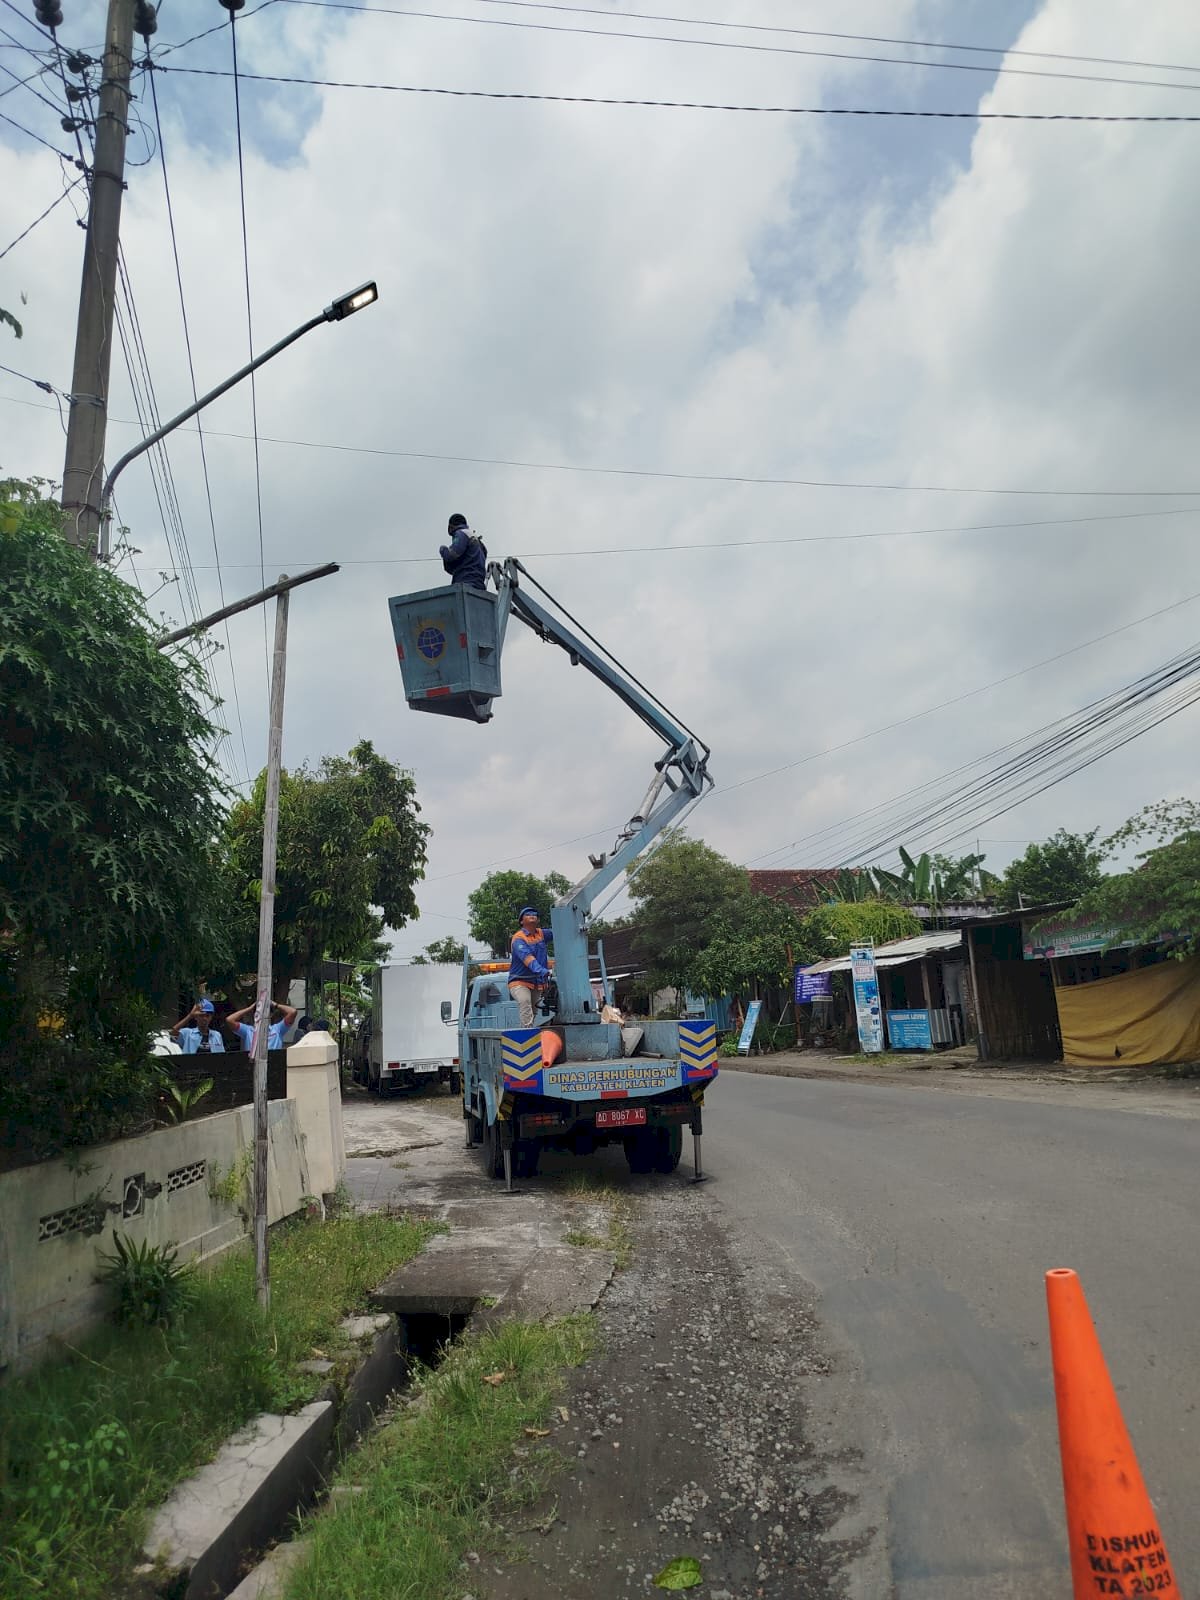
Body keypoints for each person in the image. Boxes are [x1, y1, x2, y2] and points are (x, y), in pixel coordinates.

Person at [508, 906, 551, 1028]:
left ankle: (528, 1030)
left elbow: (558, 931)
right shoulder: (518, 938)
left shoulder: (541, 934)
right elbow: (527, 958)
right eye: (528, 914)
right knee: (524, 1001)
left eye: (534, 914)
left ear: (537, 920)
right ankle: (527, 1033)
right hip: (519, 981)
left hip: (536, 982)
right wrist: (541, 970)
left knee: (533, 1010)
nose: (532, 915)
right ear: (521, 921)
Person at [227, 996, 299, 1054]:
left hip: (274, 1066)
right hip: (253, 1068)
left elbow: (293, 1012)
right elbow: (229, 1020)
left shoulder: (278, 1029)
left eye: (265, 1012)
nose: (261, 1015)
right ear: (255, 1014)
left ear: (270, 1014)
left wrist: (275, 1005)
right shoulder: (248, 1031)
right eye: (258, 1012)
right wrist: (249, 1008)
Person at [439, 513, 488, 589]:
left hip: (466, 581)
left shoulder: (461, 533)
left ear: (450, 527)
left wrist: (443, 550)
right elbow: (484, 554)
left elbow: (452, 554)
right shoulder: (477, 539)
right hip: (479, 583)